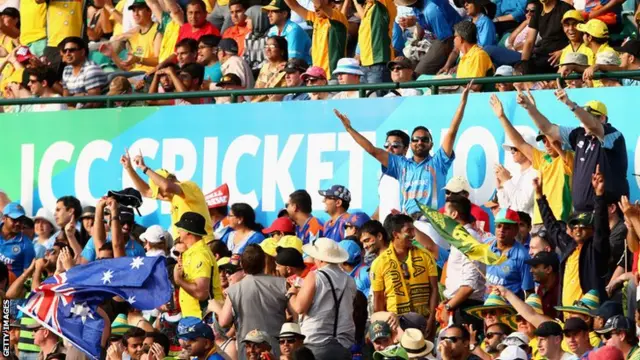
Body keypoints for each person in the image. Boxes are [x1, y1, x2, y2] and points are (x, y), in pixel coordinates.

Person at [336, 82, 471, 217]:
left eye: (424, 139)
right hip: (408, 225)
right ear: (410, 144)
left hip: (432, 224)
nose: (419, 142)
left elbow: (452, 131)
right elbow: (372, 150)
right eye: (415, 139)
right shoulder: (401, 165)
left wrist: (463, 103)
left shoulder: (438, 163)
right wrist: (349, 129)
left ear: (431, 144)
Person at [519, 80, 628, 213]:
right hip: (581, 213)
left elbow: (594, 126)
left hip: (608, 211)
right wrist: (530, 109)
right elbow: (548, 129)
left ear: (603, 118)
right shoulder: (579, 134)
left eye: (589, 116)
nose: (583, 121)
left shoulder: (613, 134)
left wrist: (570, 104)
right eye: (583, 117)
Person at [490, 94, 572, 226]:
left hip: (559, 220)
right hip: (538, 222)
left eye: (548, 139)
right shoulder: (542, 159)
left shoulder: (568, 157)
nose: (546, 144)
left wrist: (532, 109)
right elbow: (519, 143)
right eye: (543, 140)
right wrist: (502, 117)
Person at [534, 167, 610, 306]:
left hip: (587, 317)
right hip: (566, 316)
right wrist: (539, 197)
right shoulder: (569, 246)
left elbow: (602, 228)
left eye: (583, 227)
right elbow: (552, 226)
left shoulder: (596, 249)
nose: (577, 230)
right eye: (574, 226)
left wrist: (599, 195)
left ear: (592, 230)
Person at [121, 150, 214, 242]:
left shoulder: (190, 187)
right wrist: (129, 168)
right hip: (186, 247)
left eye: (159, 191)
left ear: (170, 180)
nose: (160, 195)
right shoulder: (172, 197)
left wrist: (144, 168)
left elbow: (166, 187)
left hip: (204, 244)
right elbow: (145, 191)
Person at [213, 244, 288, 358]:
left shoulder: (234, 290)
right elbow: (296, 313)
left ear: (242, 265)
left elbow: (224, 321)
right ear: (264, 263)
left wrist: (215, 307)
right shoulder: (282, 284)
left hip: (249, 351)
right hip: (277, 348)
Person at [287, 237, 356, 360]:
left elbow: (299, 307)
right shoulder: (349, 280)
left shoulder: (315, 276)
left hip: (316, 341)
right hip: (343, 344)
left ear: (320, 259)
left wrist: (292, 294)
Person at [371, 214, 438, 336]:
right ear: (396, 234)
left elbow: (434, 289)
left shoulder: (425, 255)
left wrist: (431, 319)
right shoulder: (379, 263)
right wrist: (380, 325)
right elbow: (378, 298)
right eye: (409, 231)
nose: (413, 234)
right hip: (394, 324)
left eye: (413, 230)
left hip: (423, 321)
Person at [440, 195, 486, 332]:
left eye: (445, 213)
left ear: (454, 214)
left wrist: (447, 308)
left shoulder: (468, 239)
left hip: (466, 310)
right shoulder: (461, 238)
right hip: (458, 306)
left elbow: (469, 286)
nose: (443, 217)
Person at [173, 212, 223, 319]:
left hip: (203, 316)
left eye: (180, 229)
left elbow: (201, 293)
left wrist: (179, 280)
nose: (178, 231)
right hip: (194, 316)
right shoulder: (191, 253)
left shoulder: (199, 255)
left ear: (188, 232)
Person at [284, 0, 347, 77]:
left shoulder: (339, 17)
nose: (314, 7)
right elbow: (294, 6)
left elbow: (319, 4)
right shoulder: (316, 19)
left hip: (333, 76)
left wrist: (319, 4)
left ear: (332, 4)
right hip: (316, 75)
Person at [486, 209, 535, 298]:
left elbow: (529, 292)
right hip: (486, 308)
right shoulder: (486, 247)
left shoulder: (523, 256)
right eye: (499, 226)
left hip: (509, 310)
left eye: (507, 227)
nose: (501, 230)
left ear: (516, 230)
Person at [60, 37, 108, 107]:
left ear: (82, 52)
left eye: (71, 50)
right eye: (65, 51)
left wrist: (75, 99)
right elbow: (66, 100)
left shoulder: (91, 69)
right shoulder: (67, 70)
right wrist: (78, 97)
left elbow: (94, 103)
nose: (67, 54)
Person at [376, 130, 410, 224]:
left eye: (395, 145)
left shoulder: (410, 171)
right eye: (387, 145)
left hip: (404, 230)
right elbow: (383, 203)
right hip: (386, 233)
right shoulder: (381, 174)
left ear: (405, 149)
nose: (389, 149)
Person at [263, 0, 312, 64]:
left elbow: (293, 61)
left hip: (302, 69)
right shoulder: (272, 31)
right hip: (282, 66)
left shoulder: (294, 30)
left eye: (273, 11)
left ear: (284, 14)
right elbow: (269, 57)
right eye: (268, 12)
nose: (269, 15)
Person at [453, 21, 494, 86]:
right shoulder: (464, 56)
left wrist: (453, 84)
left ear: (460, 39)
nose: (453, 39)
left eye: (455, 36)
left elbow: (475, 86)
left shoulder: (478, 55)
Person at [0, 202, 35, 278]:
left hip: (8, 288)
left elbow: (28, 275)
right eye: (14, 219)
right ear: (4, 218)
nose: (18, 223)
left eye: (21, 220)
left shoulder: (27, 246)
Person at [525, 251, 560, 318]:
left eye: (535, 267)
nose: (531, 270)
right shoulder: (541, 288)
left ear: (548, 269)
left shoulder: (562, 289)